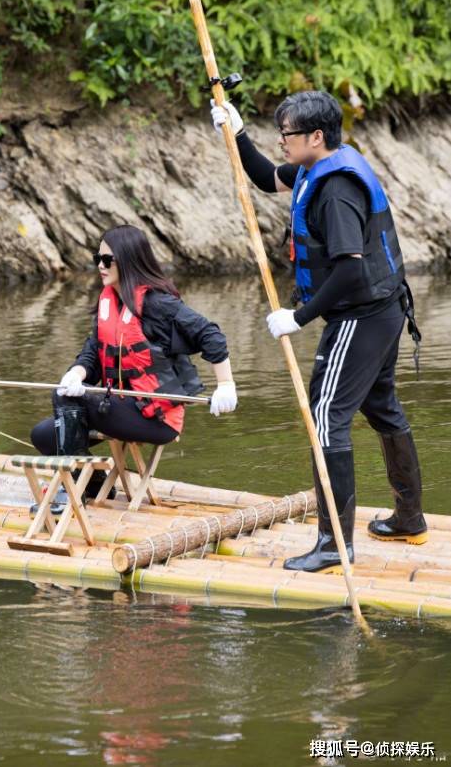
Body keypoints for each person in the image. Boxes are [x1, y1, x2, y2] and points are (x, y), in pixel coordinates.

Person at [211, 90, 426, 573]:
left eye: (287, 134)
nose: (282, 142)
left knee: (326, 414)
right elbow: (267, 179)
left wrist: (298, 318)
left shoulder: (336, 192)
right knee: (381, 406)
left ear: (316, 136)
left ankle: (333, 544)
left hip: (362, 314)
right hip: (381, 308)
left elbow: (349, 271)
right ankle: (409, 517)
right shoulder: (316, 167)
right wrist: (237, 131)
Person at [30, 224, 237, 511]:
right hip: (118, 407)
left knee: (65, 399)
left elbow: (210, 334)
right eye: (97, 259)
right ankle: (96, 485)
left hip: (155, 417)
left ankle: (69, 492)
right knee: (42, 434)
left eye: (107, 260)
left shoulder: (157, 304)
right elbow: (91, 353)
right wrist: (75, 374)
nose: (100, 266)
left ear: (128, 260)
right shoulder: (109, 304)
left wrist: (225, 385)